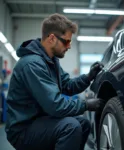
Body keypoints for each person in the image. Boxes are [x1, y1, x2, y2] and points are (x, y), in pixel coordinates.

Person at [5, 13, 104, 150]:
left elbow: (67, 86)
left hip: (40, 121)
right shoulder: (32, 64)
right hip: (23, 129)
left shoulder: (51, 61)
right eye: (66, 41)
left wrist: (88, 77)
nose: (69, 46)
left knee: (83, 124)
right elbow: (55, 105)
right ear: (52, 38)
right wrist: (85, 105)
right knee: (71, 127)